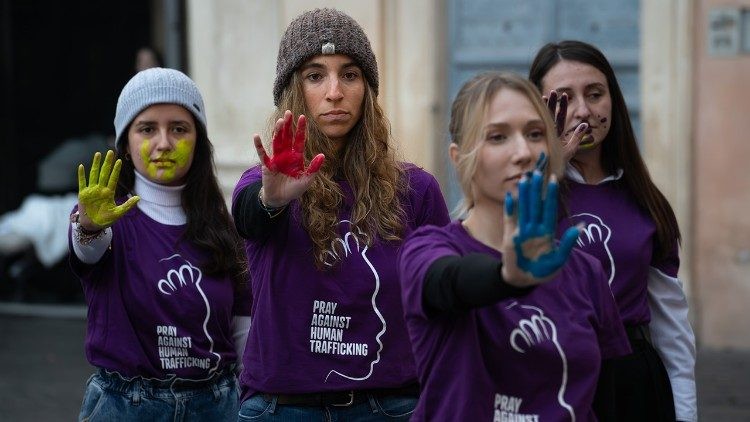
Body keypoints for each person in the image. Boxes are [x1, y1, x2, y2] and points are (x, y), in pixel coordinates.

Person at [231, 8, 450, 421]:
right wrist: (272, 200)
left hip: (391, 406)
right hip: (284, 410)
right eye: (315, 76)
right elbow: (249, 216)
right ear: (294, 91)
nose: (335, 91)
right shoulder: (262, 183)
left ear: (367, 89)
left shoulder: (417, 191)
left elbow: (442, 301)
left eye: (350, 74)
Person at [398, 71, 631, 421]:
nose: (523, 152)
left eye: (535, 134)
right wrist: (507, 276)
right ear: (459, 157)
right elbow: (447, 282)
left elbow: (608, 399)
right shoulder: (428, 249)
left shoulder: (585, 271)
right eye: (497, 137)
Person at [69, 67, 251, 421]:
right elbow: (86, 250)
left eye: (179, 128)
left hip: (218, 403)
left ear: (198, 139)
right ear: (125, 141)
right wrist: (87, 226)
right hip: (126, 406)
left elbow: (242, 328)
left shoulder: (223, 226)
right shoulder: (105, 218)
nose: (164, 143)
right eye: (147, 128)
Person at [529, 40, 697, 422]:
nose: (584, 111)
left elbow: (672, 327)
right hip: (548, 373)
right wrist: (546, 168)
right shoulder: (520, 191)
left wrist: (686, 412)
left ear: (613, 100)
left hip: (630, 380)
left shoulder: (645, 201)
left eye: (595, 94)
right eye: (564, 98)